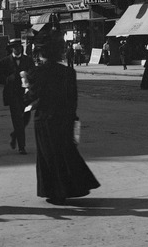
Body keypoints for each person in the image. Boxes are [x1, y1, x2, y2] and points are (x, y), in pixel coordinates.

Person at [24, 29, 100, 205]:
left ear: (40, 53)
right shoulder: (68, 72)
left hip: (44, 120)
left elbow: (30, 97)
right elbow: (73, 99)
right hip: (64, 119)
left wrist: (26, 86)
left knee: (48, 156)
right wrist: (72, 117)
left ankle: (55, 192)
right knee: (65, 153)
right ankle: (73, 187)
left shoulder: (36, 73)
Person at [0, 38, 36, 155]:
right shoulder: (5, 61)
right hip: (12, 95)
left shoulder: (28, 60)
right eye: (15, 47)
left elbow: (34, 73)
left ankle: (15, 135)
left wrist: (29, 77)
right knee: (17, 119)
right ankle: (22, 147)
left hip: (27, 95)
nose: (17, 48)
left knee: (26, 118)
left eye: (19, 46)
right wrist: (8, 79)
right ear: (11, 48)